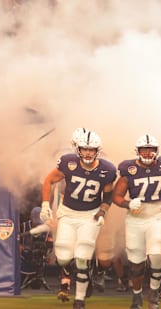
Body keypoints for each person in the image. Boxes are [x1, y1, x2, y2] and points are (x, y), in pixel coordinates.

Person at [40, 128, 117, 309]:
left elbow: (107, 197)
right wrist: (45, 204)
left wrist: (103, 212)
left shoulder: (107, 169)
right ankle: (83, 273)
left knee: (82, 255)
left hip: (90, 215)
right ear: (78, 149)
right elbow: (48, 180)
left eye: (91, 149)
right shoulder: (68, 163)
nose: (88, 153)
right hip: (67, 213)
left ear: (97, 150)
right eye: (84, 149)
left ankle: (79, 300)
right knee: (63, 257)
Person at [112, 134, 161, 309]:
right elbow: (116, 196)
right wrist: (128, 203)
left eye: (150, 150)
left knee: (157, 255)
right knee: (136, 263)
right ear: (137, 151)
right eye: (144, 150)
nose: (147, 153)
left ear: (156, 151)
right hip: (136, 217)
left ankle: (154, 294)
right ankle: (137, 296)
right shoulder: (128, 168)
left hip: (157, 214)